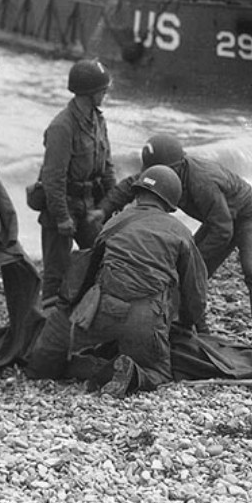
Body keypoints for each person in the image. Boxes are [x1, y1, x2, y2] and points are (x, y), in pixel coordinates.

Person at [99, 133, 252, 352]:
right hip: (218, 218)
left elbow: (223, 230)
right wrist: (102, 210)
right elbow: (133, 185)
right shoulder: (165, 172)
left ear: (178, 167)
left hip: (249, 217)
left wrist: (195, 263)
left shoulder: (202, 181)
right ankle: (197, 328)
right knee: (188, 272)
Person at [75, 166, 208, 397]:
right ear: (170, 201)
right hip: (143, 319)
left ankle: (93, 367)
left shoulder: (113, 223)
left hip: (102, 314)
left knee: (96, 349)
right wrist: (190, 325)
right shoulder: (180, 232)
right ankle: (132, 373)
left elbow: (88, 272)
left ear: (137, 193)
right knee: (160, 372)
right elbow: (195, 291)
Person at [30, 58, 116, 307]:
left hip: (89, 204)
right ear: (89, 93)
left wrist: (112, 204)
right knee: (55, 276)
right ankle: (46, 324)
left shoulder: (98, 120)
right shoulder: (62, 127)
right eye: (102, 90)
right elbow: (52, 177)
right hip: (63, 206)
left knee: (101, 260)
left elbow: (107, 166)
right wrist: (61, 217)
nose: (105, 94)